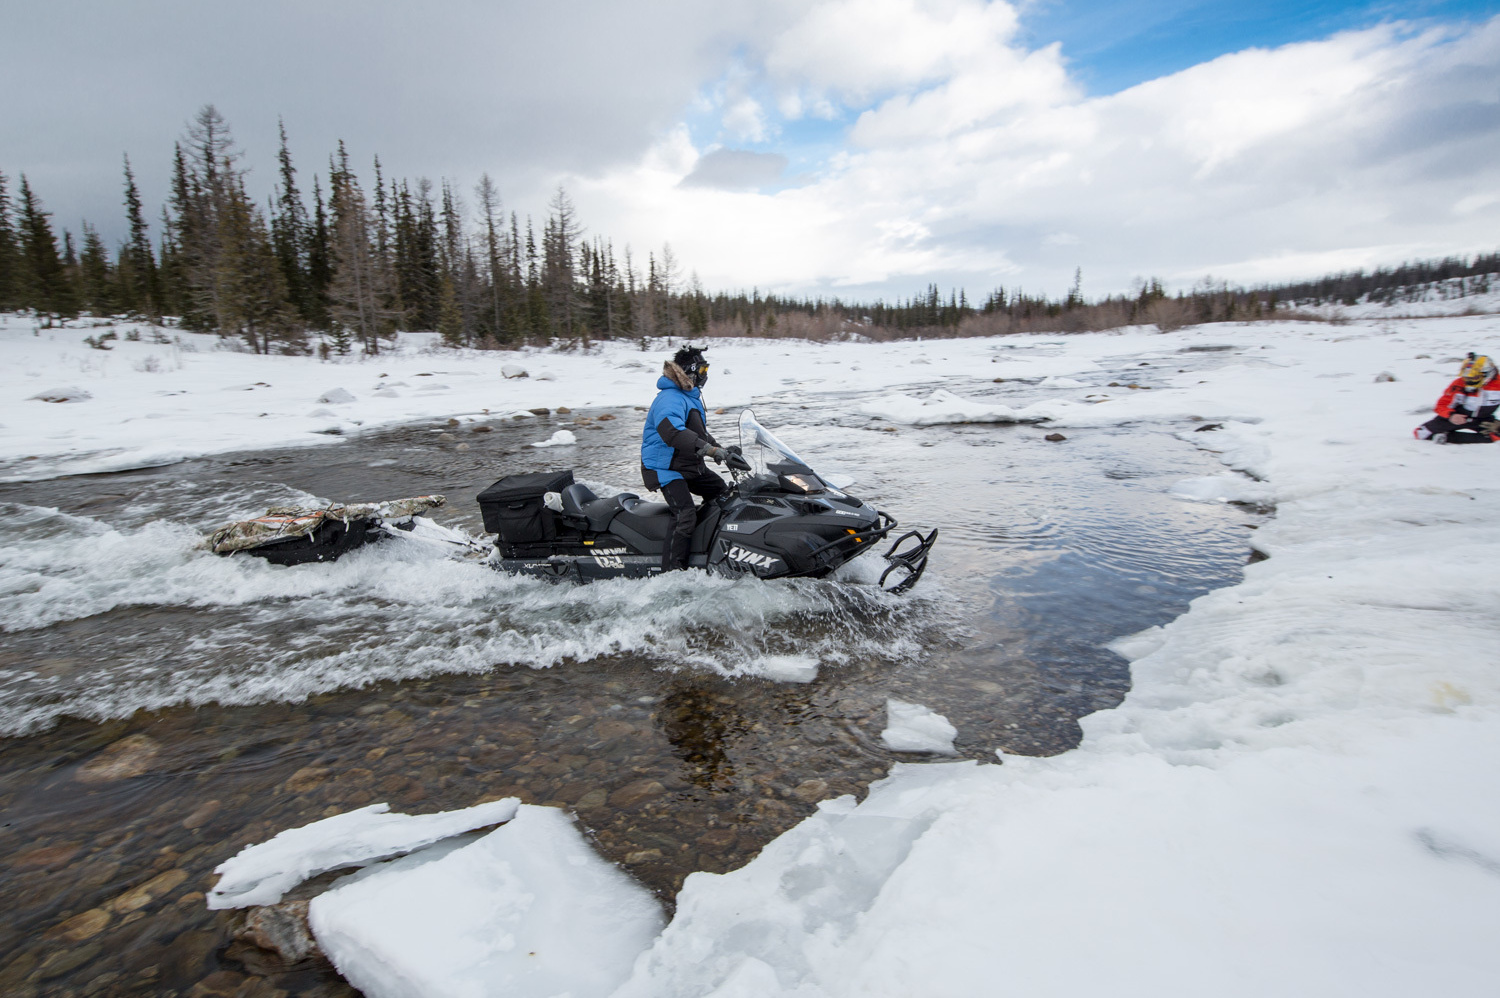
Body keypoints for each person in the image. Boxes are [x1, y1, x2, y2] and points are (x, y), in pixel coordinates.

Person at [640, 346, 750, 570]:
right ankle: (673, 572)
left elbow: (698, 434)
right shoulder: (669, 398)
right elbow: (673, 433)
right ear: (689, 371)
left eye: (706, 369)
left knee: (723, 495)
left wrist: (722, 450)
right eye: (702, 369)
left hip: (687, 465)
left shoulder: (689, 397)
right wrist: (709, 450)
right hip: (664, 467)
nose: (705, 374)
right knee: (685, 515)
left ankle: (709, 549)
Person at [1414, 353, 1500, 444]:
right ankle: (1443, 436)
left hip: (1483, 420)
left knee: (1496, 436)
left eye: (1474, 377)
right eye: (1467, 377)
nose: (1469, 380)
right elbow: (1442, 404)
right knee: (1421, 433)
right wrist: (1451, 415)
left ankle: (1448, 437)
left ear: (1487, 374)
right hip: (1457, 416)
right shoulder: (1458, 384)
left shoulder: (1497, 385)